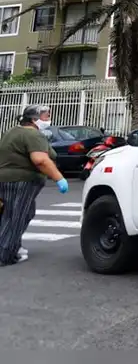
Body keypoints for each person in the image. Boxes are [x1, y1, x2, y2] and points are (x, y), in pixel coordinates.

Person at [0, 105, 70, 266]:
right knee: (15, 217)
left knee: (21, 213)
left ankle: (13, 245)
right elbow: (40, 160)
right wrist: (59, 179)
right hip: (21, 182)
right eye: (46, 116)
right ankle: (5, 253)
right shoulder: (32, 134)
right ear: (33, 119)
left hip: (6, 180)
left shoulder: (12, 131)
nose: (49, 119)